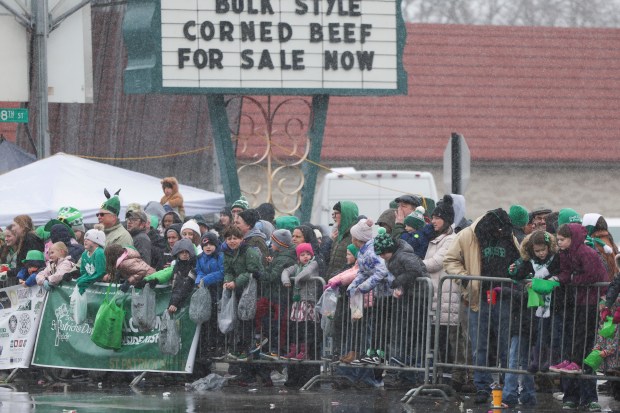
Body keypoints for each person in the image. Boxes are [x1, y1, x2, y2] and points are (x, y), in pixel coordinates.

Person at [443, 208, 520, 404]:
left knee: (505, 345)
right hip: (478, 298)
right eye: (498, 231)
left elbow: (519, 258)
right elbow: (450, 259)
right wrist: (465, 279)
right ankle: (482, 386)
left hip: (504, 296)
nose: (500, 234)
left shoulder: (508, 234)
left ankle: (506, 385)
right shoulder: (468, 234)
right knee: (479, 345)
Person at [549, 223, 606, 411]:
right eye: (557, 240)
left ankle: (589, 397)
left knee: (584, 351)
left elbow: (593, 275)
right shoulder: (565, 253)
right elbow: (565, 272)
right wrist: (558, 279)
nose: (559, 243)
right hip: (574, 303)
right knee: (572, 349)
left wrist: (573, 280)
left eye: (562, 240)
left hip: (589, 303)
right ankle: (571, 396)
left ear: (571, 239)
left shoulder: (585, 252)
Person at [422, 195, 469, 390]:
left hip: (449, 298)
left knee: (452, 341)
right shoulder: (435, 240)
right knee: (439, 340)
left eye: (437, 218)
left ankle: (452, 379)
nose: (433, 221)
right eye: (432, 218)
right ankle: (441, 377)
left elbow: (435, 263)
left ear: (447, 220)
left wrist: (413, 265)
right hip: (437, 298)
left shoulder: (450, 239)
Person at [221, 225, 268, 387]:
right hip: (238, 292)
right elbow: (227, 269)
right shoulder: (227, 253)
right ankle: (243, 365)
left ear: (241, 239)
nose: (232, 241)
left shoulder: (249, 252)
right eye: (229, 238)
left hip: (252, 293)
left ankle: (256, 371)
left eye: (235, 238)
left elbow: (251, 271)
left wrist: (236, 281)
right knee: (239, 326)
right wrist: (228, 280)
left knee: (249, 326)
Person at [508, 230, 561, 374]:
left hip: (556, 303)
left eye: (543, 250)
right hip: (539, 303)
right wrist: (512, 271)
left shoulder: (555, 259)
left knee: (553, 333)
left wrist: (542, 283)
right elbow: (519, 274)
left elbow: (559, 275)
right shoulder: (530, 261)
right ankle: (537, 360)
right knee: (539, 332)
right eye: (537, 251)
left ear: (548, 247)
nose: (541, 253)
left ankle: (549, 360)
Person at [281, 243, 321, 360]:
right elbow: (285, 272)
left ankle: (304, 350)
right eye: (302, 254)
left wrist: (296, 280)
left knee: (306, 327)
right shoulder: (296, 266)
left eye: (308, 254)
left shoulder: (314, 263)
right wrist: (286, 281)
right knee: (296, 327)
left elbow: (307, 273)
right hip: (298, 302)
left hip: (308, 301)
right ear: (298, 257)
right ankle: (295, 348)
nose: (305, 257)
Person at [195, 232, 224, 356]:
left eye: (211, 244)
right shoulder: (200, 257)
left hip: (218, 290)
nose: (208, 247)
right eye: (205, 244)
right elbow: (199, 271)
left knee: (216, 320)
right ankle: (207, 346)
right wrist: (198, 281)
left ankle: (219, 345)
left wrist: (205, 280)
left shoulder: (220, 256)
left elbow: (222, 272)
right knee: (206, 320)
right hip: (205, 291)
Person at [0, 216, 45, 285]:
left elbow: (32, 265)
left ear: (22, 226)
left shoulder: (30, 238)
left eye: (14, 225)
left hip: (31, 281)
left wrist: (10, 271)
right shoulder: (25, 239)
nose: (13, 228)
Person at [325, 201, 359, 279]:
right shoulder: (338, 235)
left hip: (345, 282)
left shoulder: (355, 236)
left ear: (345, 214)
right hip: (334, 282)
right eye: (333, 213)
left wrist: (340, 279)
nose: (334, 216)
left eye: (336, 213)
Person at [582, 213, 619, 282]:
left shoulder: (596, 244)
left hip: (603, 288)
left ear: (589, 227)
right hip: (612, 286)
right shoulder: (609, 241)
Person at [166, 239, 197, 314]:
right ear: (177, 254)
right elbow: (176, 287)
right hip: (181, 302)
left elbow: (186, 286)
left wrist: (174, 303)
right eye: (181, 252)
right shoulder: (177, 267)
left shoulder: (195, 266)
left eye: (186, 252)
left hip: (192, 303)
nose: (184, 254)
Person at [76, 228, 107, 294]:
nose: (85, 241)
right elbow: (83, 271)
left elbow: (101, 273)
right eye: (85, 239)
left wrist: (87, 280)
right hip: (92, 283)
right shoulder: (84, 254)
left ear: (96, 242)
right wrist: (83, 278)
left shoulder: (99, 253)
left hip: (102, 287)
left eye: (88, 239)